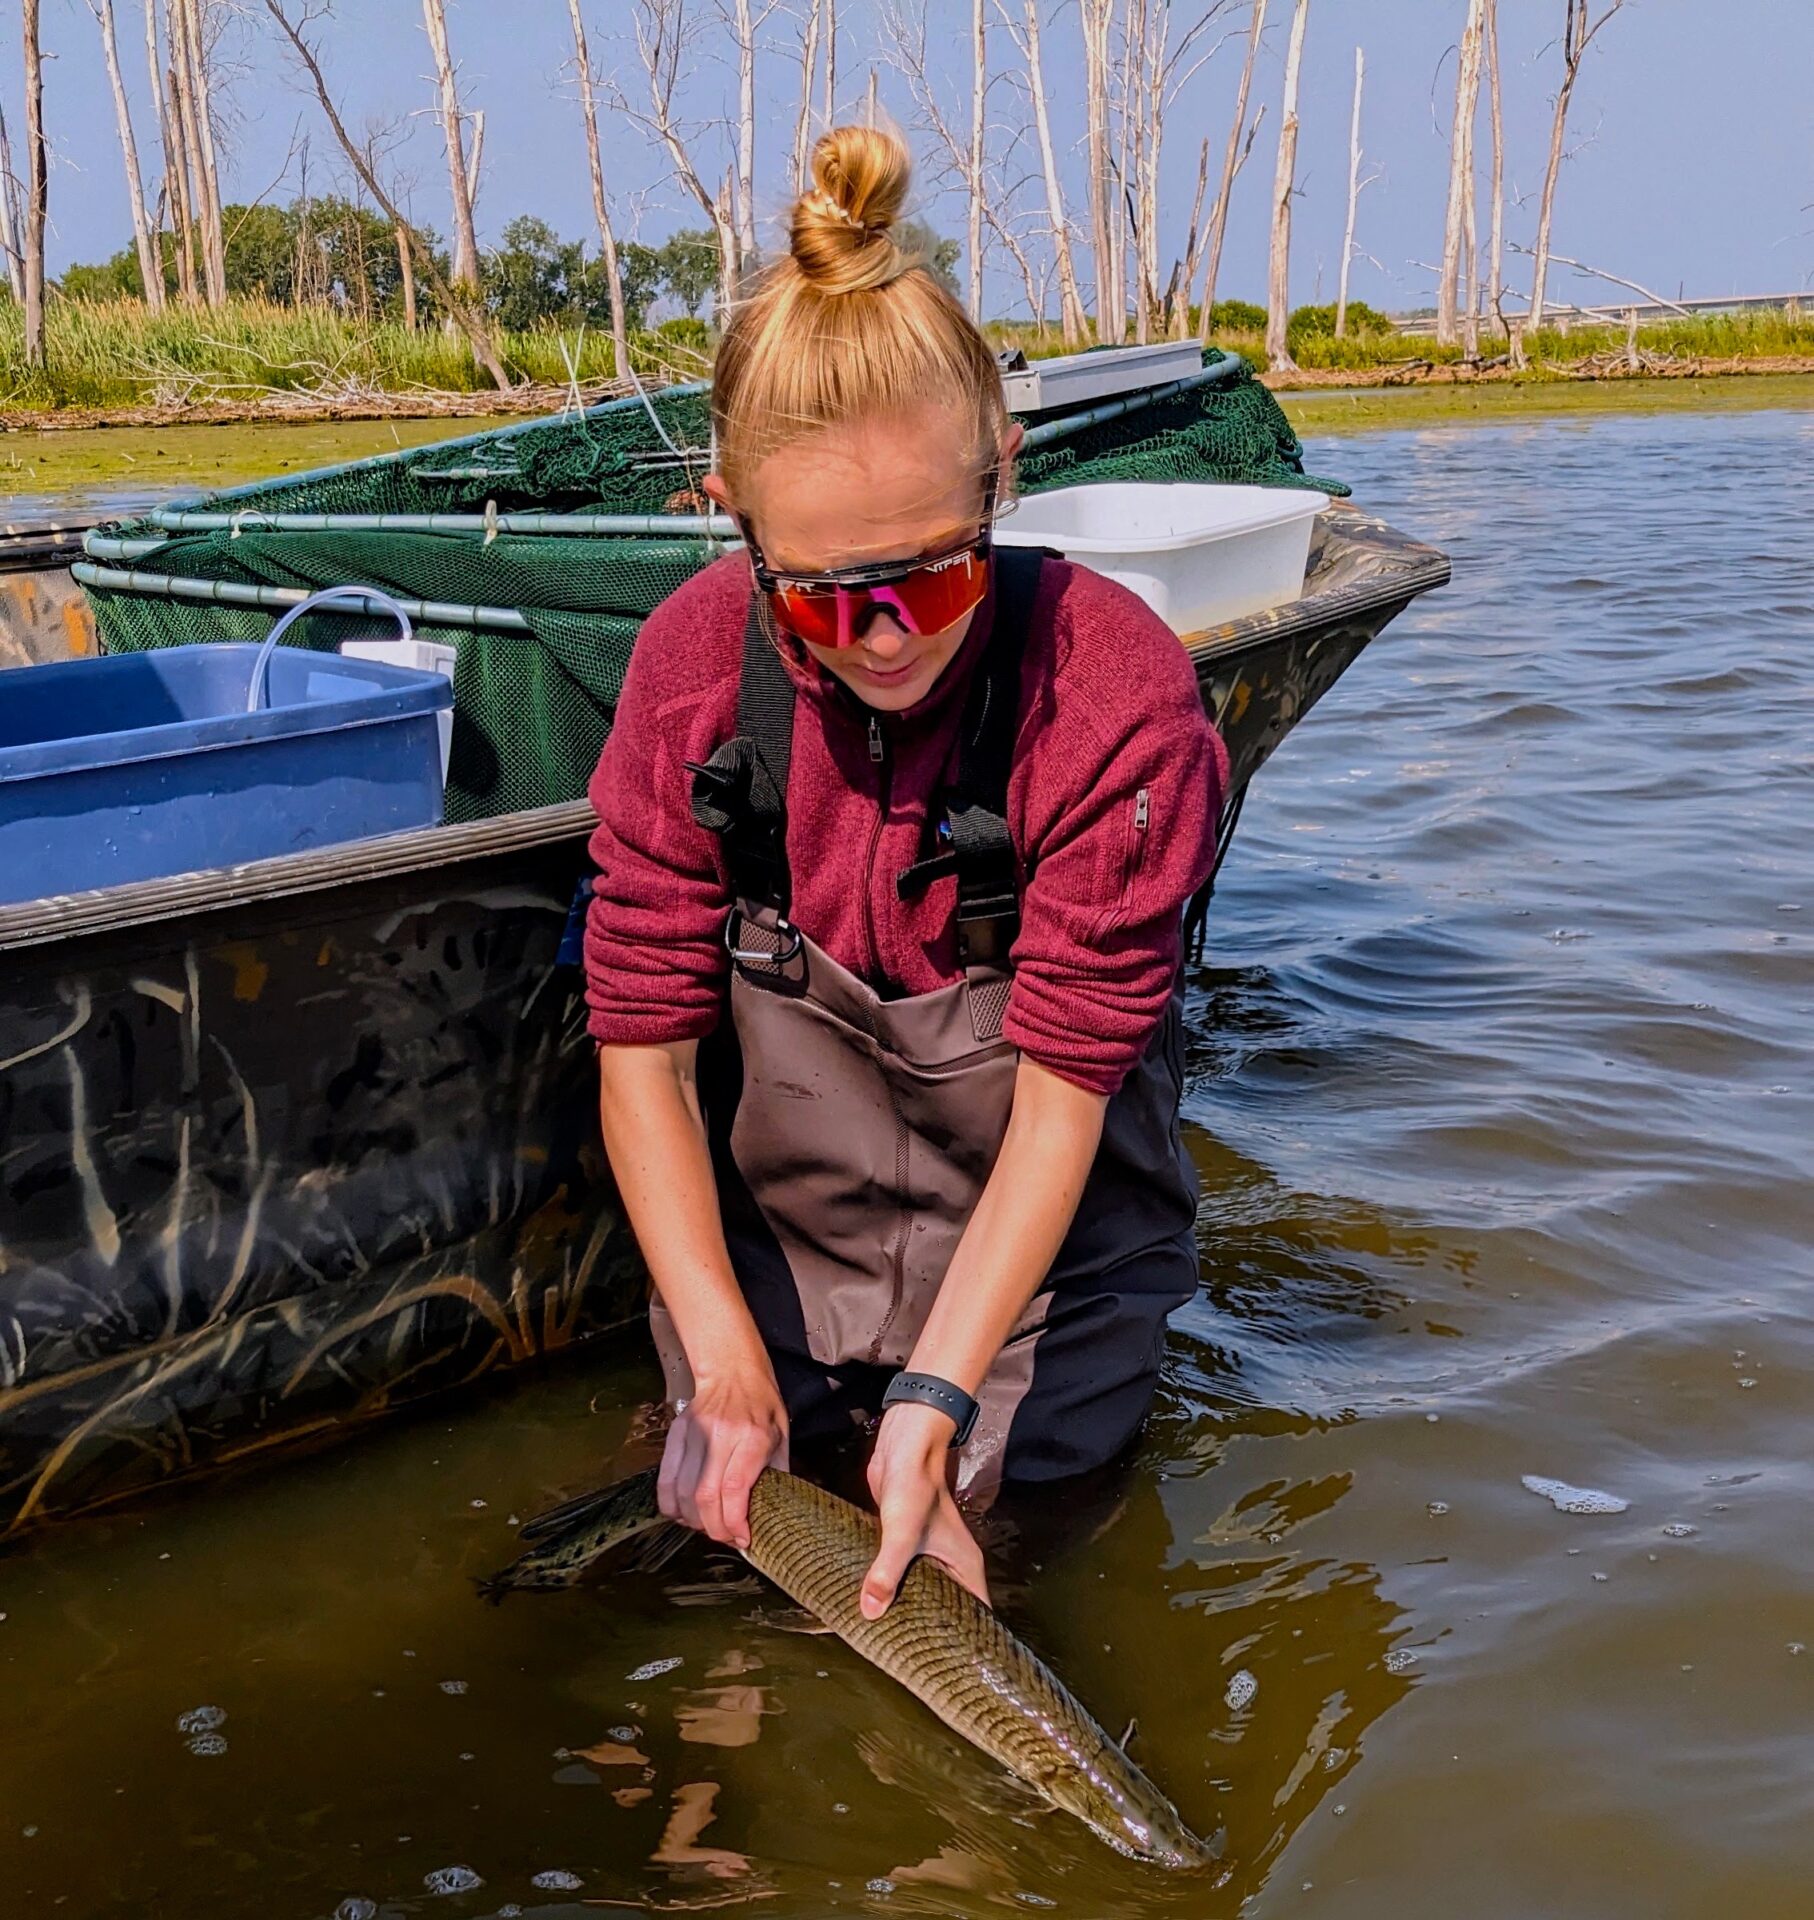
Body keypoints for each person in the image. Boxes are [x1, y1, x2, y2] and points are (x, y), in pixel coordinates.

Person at [584, 124, 1225, 1622]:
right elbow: (643, 1064)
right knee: (718, 1542)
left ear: (1002, 474)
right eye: (819, 594)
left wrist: (934, 1404)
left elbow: (1064, 1105)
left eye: (928, 575)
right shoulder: (687, 672)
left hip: (1043, 1249)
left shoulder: (1115, 697)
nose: (882, 636)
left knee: (979, 1560)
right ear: (728, 516)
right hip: (781, 1241)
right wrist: (727, 1366)